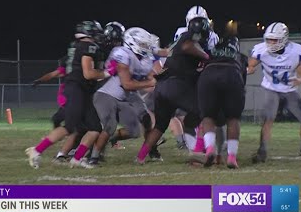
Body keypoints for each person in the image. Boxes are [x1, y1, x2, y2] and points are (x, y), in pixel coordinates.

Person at [25, 20, 113, 169]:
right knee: (70, 126)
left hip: (82, 90)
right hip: (77, 89)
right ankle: (36, 150)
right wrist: (108, 72)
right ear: (89, 33)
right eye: (95, 32)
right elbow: (88, 73)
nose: (98, 36)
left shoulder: (75, 47)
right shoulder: (89, 47)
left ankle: (77, 158)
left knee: (95, 127)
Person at [136, 10, 211, 164]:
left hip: (163, 86)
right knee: (205, 113)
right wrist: (206, 57)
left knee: (160, 126)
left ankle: (141, 156)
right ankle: (198, 152)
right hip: (176, 85)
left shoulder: (179, 39)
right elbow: (186, 46)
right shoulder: (190, 37)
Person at [90, 26, 156, 165]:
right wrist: (149, 83)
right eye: (143, 44)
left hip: (125, 96)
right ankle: (93, 157)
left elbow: (147, 74)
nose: (146, 47)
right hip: (109, 94)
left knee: (135, 131)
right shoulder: (123, 54)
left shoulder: (141, 58)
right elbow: (127, 84)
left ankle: (107, 140)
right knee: (109, 125)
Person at [248, 22, 301, 162]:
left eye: (274, 40)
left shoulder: (296, 52)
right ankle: (262, 152)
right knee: (267, 120)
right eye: (269, 39)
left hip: (290, 91)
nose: (271, 43)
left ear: (284, 39)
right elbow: (251, 66)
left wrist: (300, 80)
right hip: (271, 89)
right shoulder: (261, 50)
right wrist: (248, 70)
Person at [197, 35, 246, 169]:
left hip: (209, 74)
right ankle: (231, 157)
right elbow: (242, 81)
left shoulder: (209, 53)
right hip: (232, 74)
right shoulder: (240, 56)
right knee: (233, 118)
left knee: (208, 116)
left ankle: (210, 148)